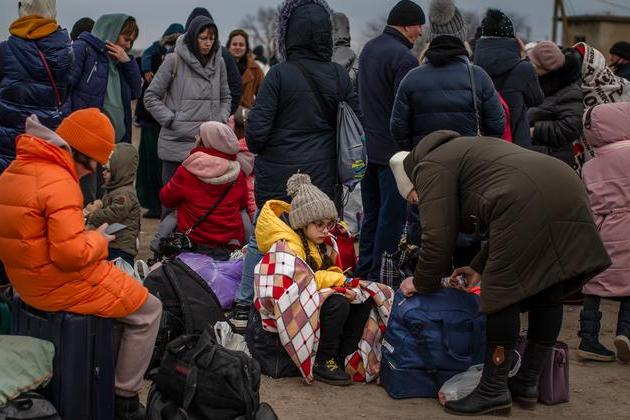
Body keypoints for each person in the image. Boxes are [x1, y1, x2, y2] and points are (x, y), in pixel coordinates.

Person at [389, 130, 610, 415]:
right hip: (566, 185)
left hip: (524, 201)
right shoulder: (464, 148)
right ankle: (527, 382)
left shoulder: (429, 167)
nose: (419, 204)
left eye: (415, 199)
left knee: (502, 294)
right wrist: (477, 267)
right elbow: (505, 215)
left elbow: (437, 238)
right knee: (547, 289)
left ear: (412, 182)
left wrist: (421, 282)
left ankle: (493, 389)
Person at [0, 109, 162, 420]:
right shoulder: (60, 181)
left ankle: (105, 381)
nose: (91, 173)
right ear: (80, 152)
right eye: (92, 165)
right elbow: (70, 256)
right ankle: (124, 399)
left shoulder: (16, 169)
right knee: (149, 311)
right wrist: (98, 240)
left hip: (26, 283)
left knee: (122, 307)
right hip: (59, 285)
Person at [228, 0, 360, 331]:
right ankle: (311, 309)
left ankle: (247, 305)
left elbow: (255, 137)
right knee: (318, 242)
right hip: (322, 180)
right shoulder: (339, 76)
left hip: (278, 178)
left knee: (264, 240)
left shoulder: (278, 76)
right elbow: (355, 125)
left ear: (287, 34)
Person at [391, 0, 504, 259]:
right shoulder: (478, 77)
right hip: (469, 174)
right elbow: (497, 126)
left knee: (427, 248)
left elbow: (397, 130)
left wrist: (417, 153)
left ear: (432, 35)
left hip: (425, 176)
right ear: (461, 34)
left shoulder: (412, 78)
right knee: (468, 247)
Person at [255, 173, 374, 385]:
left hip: (307, 298)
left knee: (362, 297)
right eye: (319, 224)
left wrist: (341, 283)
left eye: (329, 224)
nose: (325, 230)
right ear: (303, 222)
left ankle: (342, 355)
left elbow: (321, 275)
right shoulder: (287, 246)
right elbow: (300, 282)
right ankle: (322, 360)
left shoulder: (318, 241)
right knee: (337, 304)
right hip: (287, 307)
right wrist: (338, 282)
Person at [356, 0, 424, 281]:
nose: (420, 32)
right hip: (394, 154)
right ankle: (379, 277)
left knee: (370, 214)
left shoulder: (369, 49)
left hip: (368, 148)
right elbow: (405, 110)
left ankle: (363, 270)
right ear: (406, 25)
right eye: (418, 25)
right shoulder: (404, 59)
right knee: (392, 217)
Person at [144, 15, 231, 188]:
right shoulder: (173, 60)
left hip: (207, 147)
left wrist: (220, 120)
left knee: (201, 202)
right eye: (203, 38)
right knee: (172, 200)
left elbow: (226, 97)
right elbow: (150, 96)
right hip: (176, 146)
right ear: (193, 37)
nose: (208, 43)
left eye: (212, 39)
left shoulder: (219, 63)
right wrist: (171, 119)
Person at [64, 13, 142, 204]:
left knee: (105, 200)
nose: (128, 45)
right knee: (88, 199)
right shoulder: (83, 49)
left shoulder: (120, 62)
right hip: (86, 143)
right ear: (112, 32)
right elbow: (65, 89)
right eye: (126, 39)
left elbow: (136, 92)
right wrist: (69, 130)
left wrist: (128, 63)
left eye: (132, 41)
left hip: (113, 145)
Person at [578, 102, 630, 364]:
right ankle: (625, 333)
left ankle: (588, 340)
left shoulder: (590, 166)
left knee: (595, 284)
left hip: (601, 230)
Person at [0, 0, 73, 173]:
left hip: (6, 139)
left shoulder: (5, 50)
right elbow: (65, 93)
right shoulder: (66, 53)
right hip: (44, 135)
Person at [159, 122, 252, 251]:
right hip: (229, 240)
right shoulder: (238, 173)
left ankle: (158, 249)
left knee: (170, 218)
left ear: (204, 142)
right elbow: (242, 204)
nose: (196, 137)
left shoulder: (187, 171)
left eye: (199, 136)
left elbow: (166, 199)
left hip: (192, 239)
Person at [473, 8, 544, 148]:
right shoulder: (523, 69)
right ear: (513, 38)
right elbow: (536, 100)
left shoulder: (473, 68)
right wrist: (526, 57)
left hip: (483, 147)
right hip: (517, 147)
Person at [135, 23, 184, 218]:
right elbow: (146, 57)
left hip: (166, 120)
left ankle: (159, 204)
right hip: (154, 119)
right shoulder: (156, 53)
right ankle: (154, 204)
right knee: (151, 164)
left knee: (159, 166)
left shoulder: (178, 59)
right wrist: (147, 68)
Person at [527, 42, 584, 168]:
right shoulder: (542, 82)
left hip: (550, 161)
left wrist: (534, 131)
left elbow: (571, 128)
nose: (530, 67)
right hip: (537, 155)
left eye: (534, 64)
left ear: (546, 69)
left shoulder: (569, 91)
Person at [85, 143, 141, 266]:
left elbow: (114, 214)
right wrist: (100, 204)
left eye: (108, 170)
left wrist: (93, 214)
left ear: (120, 172)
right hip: (113, 243)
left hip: (120, 247)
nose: (103, 173)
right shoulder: (115, 189)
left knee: (119, 274)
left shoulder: (124, 193)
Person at [185, 7, 242, 115]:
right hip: (181, 121)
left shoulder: (223, 55)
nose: (207, 43)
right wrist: (170, 117)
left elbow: (234, 89)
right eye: (202, 37)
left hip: (211, 119)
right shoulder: (175, 54)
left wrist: (222, 116)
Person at [226, 29, 265, 139]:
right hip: (225, 121)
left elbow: (264, 95)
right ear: (229, 46)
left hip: (245, 123)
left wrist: (254, 113)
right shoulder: (221, 65)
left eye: (241, 45)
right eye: (234, 44)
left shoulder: (255, 68)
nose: (238, 47)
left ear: (246, 47)